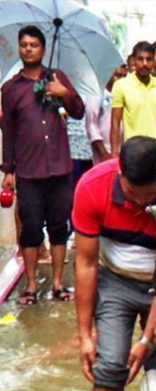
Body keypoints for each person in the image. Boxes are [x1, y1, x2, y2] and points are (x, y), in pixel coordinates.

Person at [72, 136, 156, 391]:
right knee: (110, 364)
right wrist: (85, 335)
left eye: (148, 196)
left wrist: (145, 338)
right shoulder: (92, 187)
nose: (140, 203)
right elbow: (86, 264)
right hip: (117, 281)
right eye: (131, 194)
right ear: (119, 175)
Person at [0, 25, 84, 304]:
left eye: (33, 45)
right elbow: (8, 132)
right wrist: (8, 171)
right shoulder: (10, 89)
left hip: (60, 167)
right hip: (28, 171)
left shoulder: (57, 78)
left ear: (43, 49)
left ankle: (59, 284)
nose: (28, 49)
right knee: (32, 229)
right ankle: (32, 285)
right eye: (24, 44)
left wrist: (64, 93)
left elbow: (78, 111)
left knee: (60, 226)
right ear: (20, 48)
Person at [110, 41, 156, 157]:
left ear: (153, 61)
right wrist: (115, 156)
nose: (144, 64)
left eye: (148, 59)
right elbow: (115, 123)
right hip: (133, 151)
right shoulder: (121, 86)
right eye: (140, 59)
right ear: (134, 61)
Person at [85, 64, 128, 165]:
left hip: (125, 150)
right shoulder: (96, 93)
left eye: (123, 76)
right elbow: (91, 125)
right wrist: (103, 153)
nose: (120, 76)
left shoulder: (126, 91)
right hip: (105, 151)